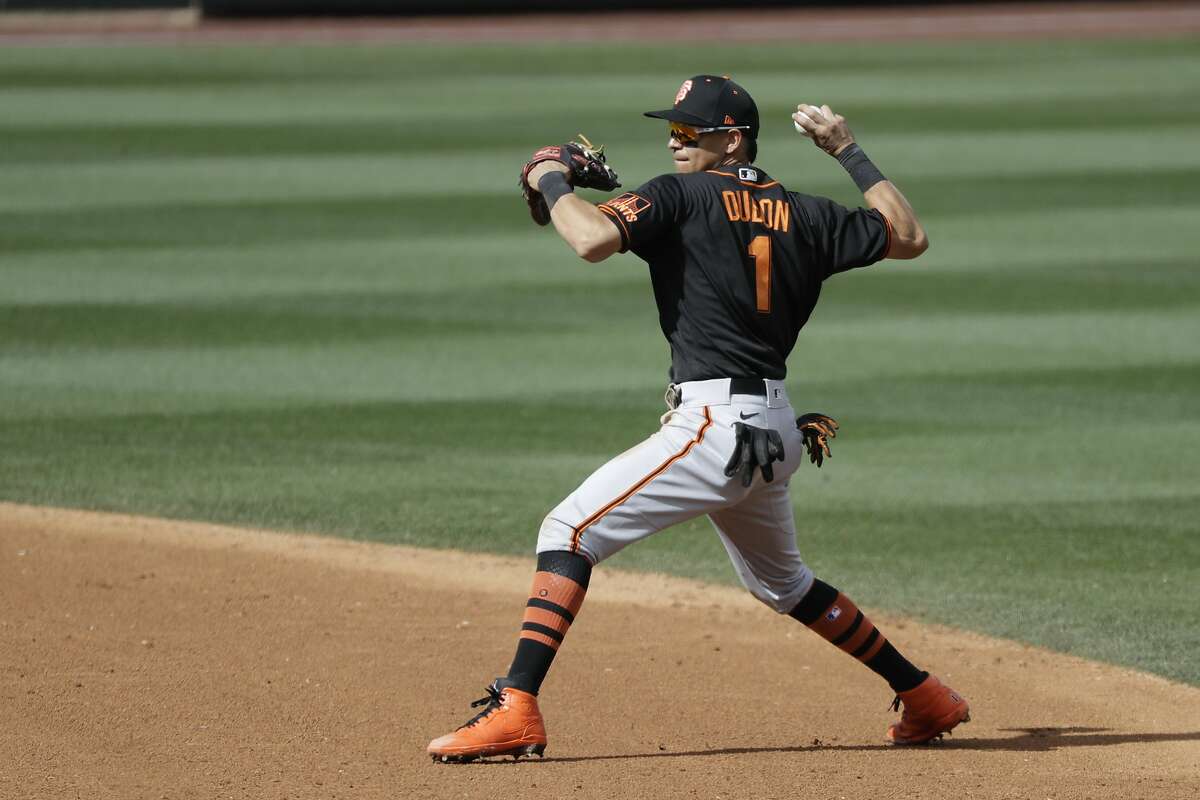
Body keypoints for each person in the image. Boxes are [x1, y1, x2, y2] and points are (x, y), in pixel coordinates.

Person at [427, 74, 969, 763]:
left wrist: (553, 177)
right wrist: (847, 150)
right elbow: (911, 236)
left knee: (567, 530)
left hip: (714, 429)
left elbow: (591, 241)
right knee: (784, 584)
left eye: (689, 132)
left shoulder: (679, 194)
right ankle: (924, 696)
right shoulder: (806, 213)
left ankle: (517, 707)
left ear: (732, 139)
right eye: (672, 131)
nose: (675, 142)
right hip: (775, 427)